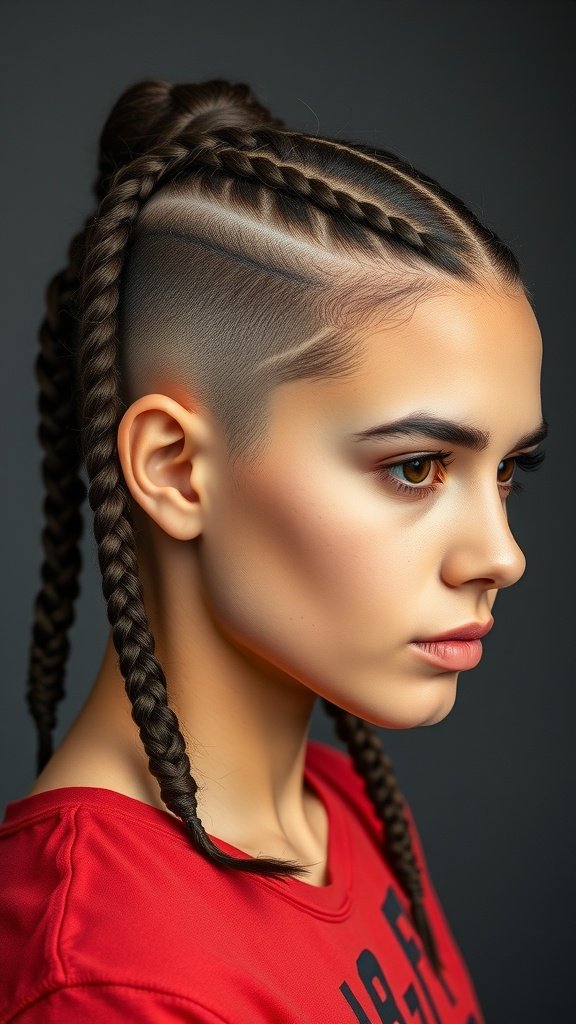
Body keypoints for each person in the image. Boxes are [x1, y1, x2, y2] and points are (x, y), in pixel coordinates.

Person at [0, 77, 546, 1023]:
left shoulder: (343, 809)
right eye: (416, 468)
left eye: (507, 472)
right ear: (174, 469)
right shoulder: (110, 977)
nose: (502, 555)